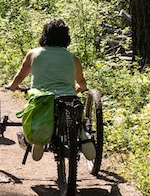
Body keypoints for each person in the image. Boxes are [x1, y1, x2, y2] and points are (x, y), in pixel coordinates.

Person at [6, 18, 92, 160]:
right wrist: (80, 88)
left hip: (42, 98)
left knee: (38, 107)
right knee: (75, 111)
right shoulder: (73, 58)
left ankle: (39, 136)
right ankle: (81, 133)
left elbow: (20, 76)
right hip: (68, 97)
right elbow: (82, 82)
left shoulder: (33, 54)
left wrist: (13, 86)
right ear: (66, 38)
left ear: (44, 36)